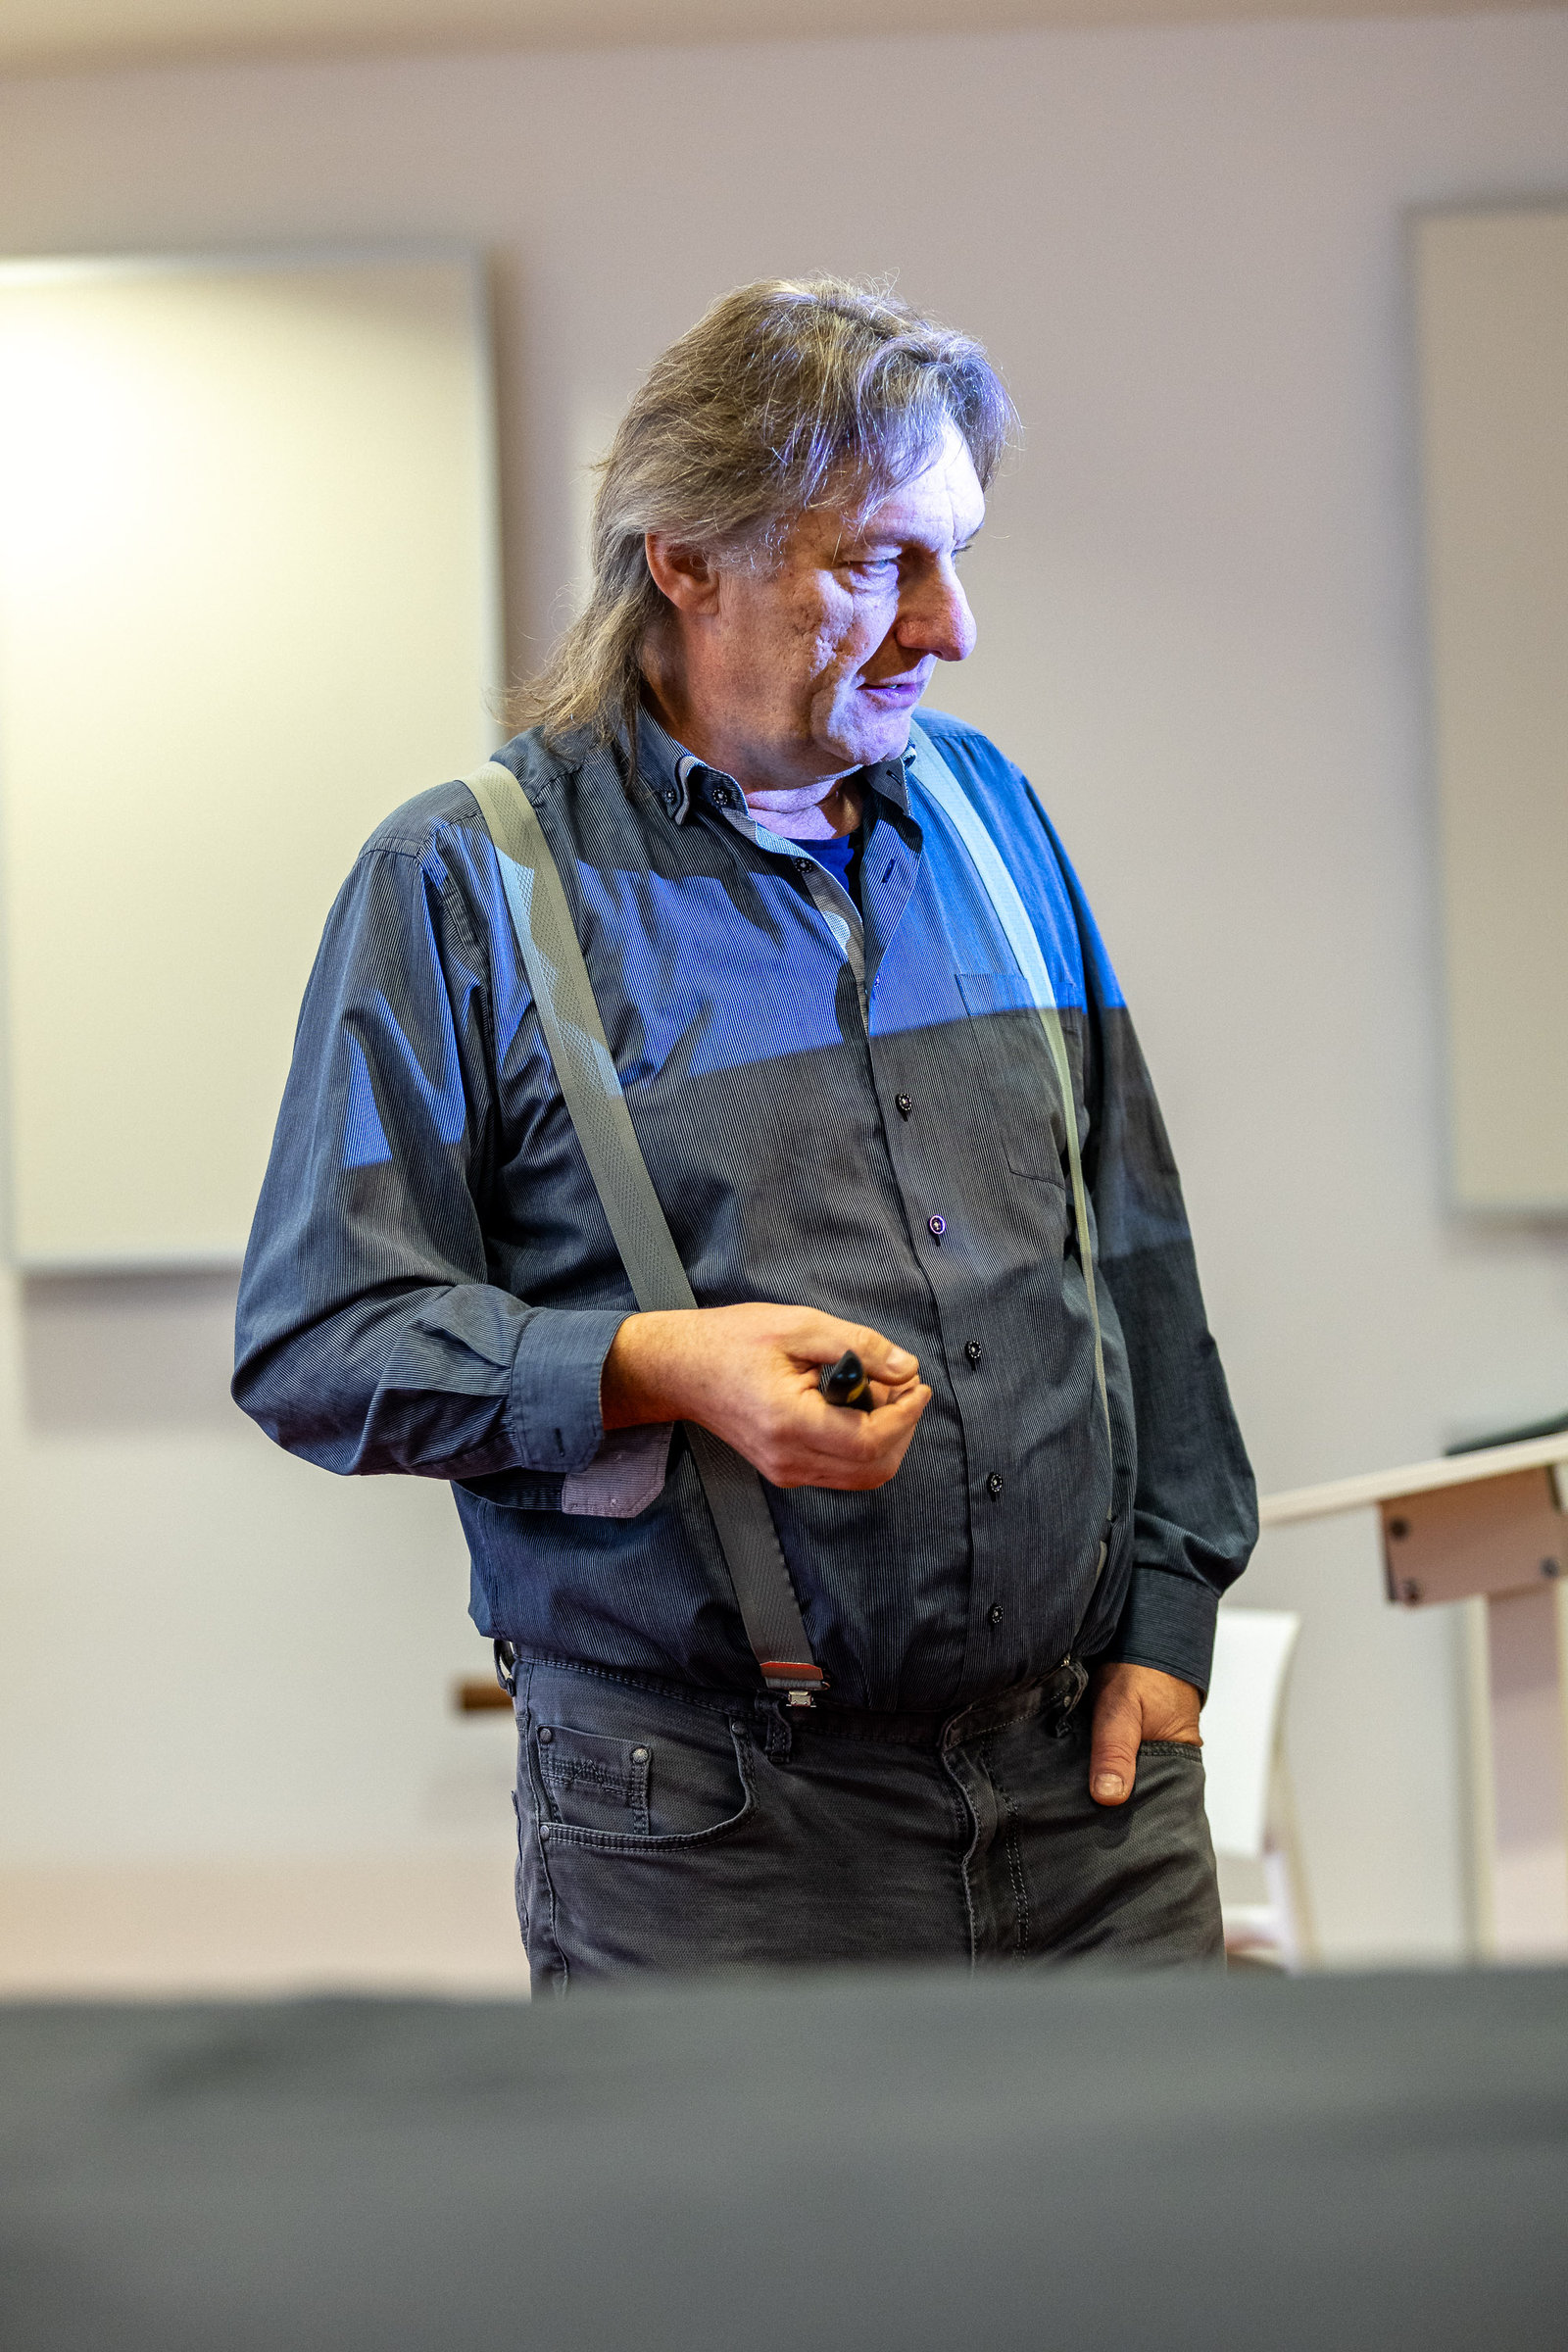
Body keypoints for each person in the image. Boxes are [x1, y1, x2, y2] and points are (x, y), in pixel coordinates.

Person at [234, 278, 1257, 1986]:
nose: (950, 626)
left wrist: (1170, 1621)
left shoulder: (992, 819)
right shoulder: (464, 886)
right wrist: (652, 1366)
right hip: (718, 1846)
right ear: (685, 559)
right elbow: (319, 1340)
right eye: (880, 564)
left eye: (957, 556)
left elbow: (1134, 1243)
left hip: (1094, 1815)